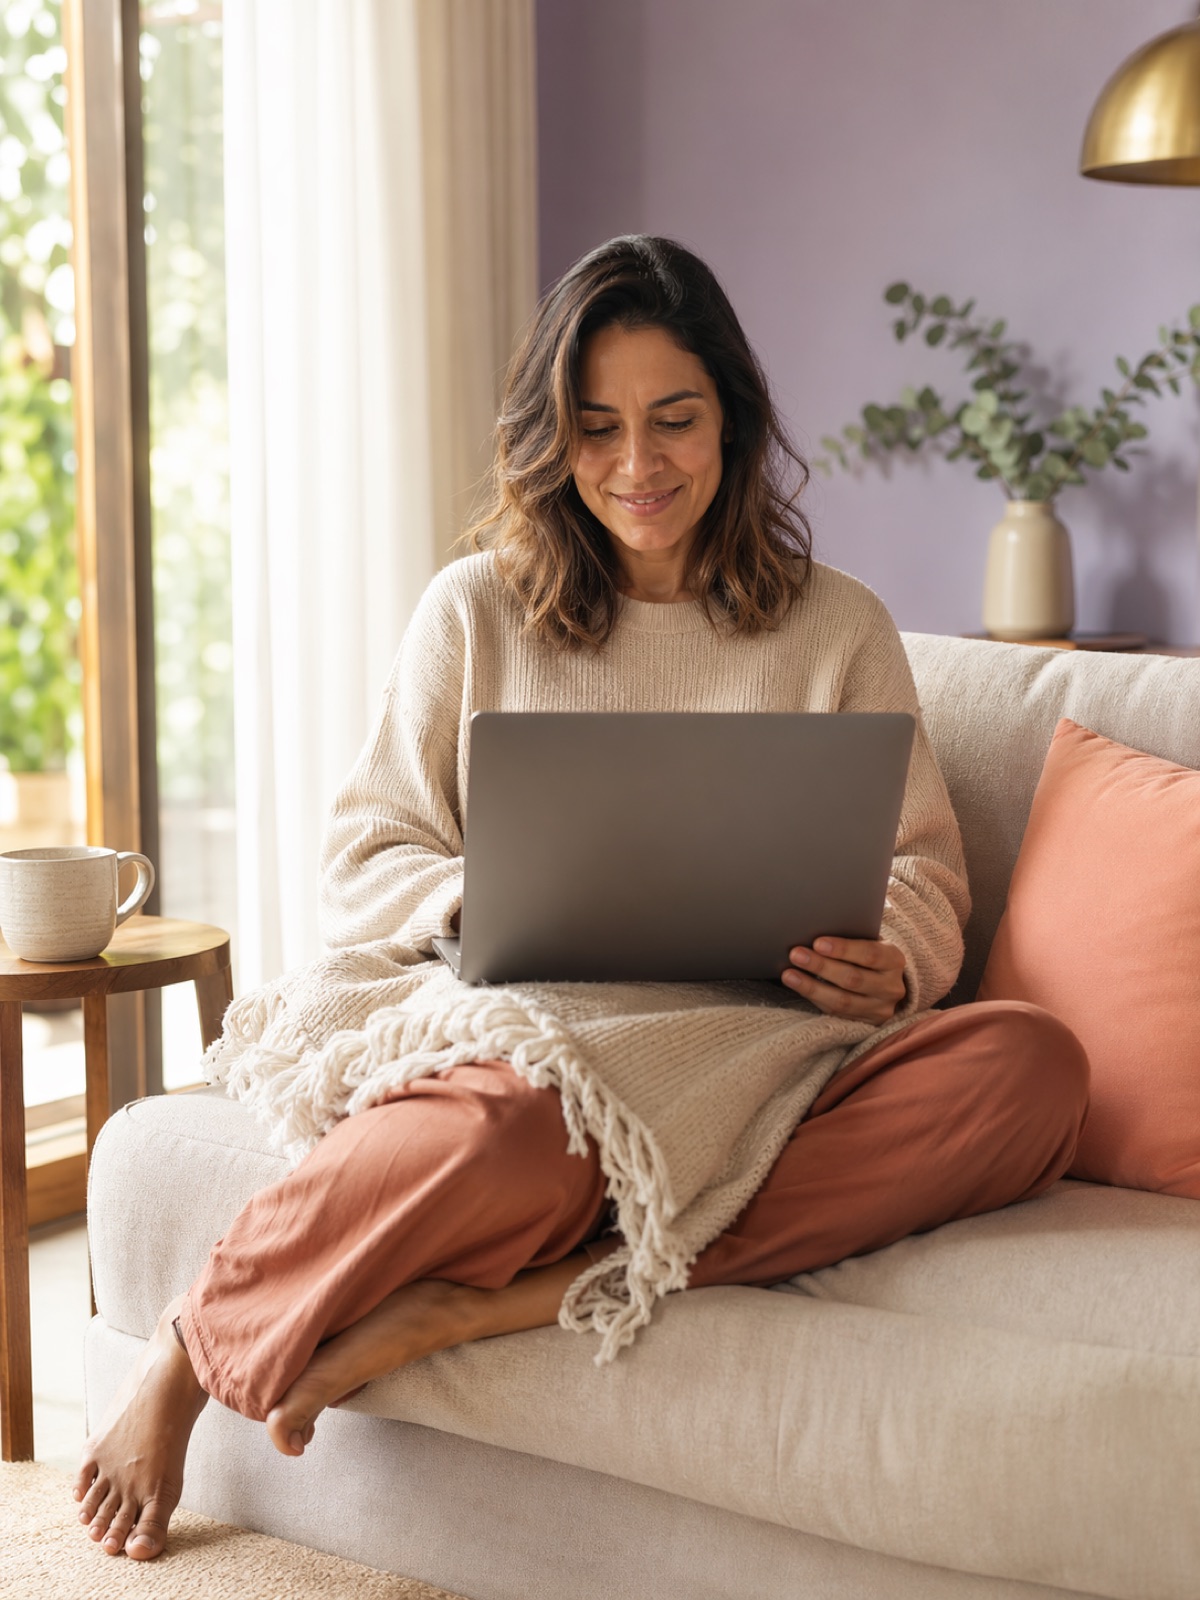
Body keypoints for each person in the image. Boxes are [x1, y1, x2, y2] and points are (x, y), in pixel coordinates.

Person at [74, 235, 1088, 1561]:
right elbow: (363, 848)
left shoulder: (837, 625)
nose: (637, 465)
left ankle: (487, 1300)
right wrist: (469, 904)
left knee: (1030, 1069)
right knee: (494, 1134)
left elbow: (924, 871)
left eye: (675, 420)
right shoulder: (475, 611)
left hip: (765, 1053)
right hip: (543, 1043)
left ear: (732, 414)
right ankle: (190, 1353)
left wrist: (889, 958)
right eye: (596, 427)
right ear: (552, 438)